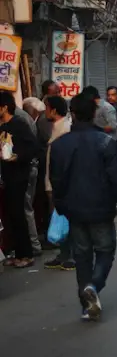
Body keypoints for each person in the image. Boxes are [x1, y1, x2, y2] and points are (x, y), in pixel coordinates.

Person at [50, 93, 117, 321]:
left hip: (74, 209)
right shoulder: (105, 142)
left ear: (73, 114)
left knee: (81, 256)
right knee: (105, 251)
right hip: (101, 206)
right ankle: (94, 286)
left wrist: (60, 205)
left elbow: (56, 179)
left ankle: (86, 302)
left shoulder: (60, 146)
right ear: (93, 114)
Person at [0, 91, 39, 268]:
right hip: (6, 174)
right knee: (11, 215)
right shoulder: (2, 126)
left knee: (18, 213)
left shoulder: (19, 124)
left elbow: (32, 147)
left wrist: (18, 157)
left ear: (5, 107)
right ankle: (17, 252)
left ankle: (26, 254)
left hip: (19, 174)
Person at [42, 96, 74, 270]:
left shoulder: (66, 129)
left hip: (61, 182)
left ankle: (70, 255)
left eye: (47, 107)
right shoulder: (56, 128)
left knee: (66, 218)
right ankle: (63, 254)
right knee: (58, 217)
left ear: (53, 110)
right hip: (53, 181)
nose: (45, 111)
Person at [18, 99, 41, 255]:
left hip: (27, 168)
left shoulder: (19, 120)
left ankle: (34, 245)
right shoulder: (25, 119)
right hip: (32, 167)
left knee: (26, 207)